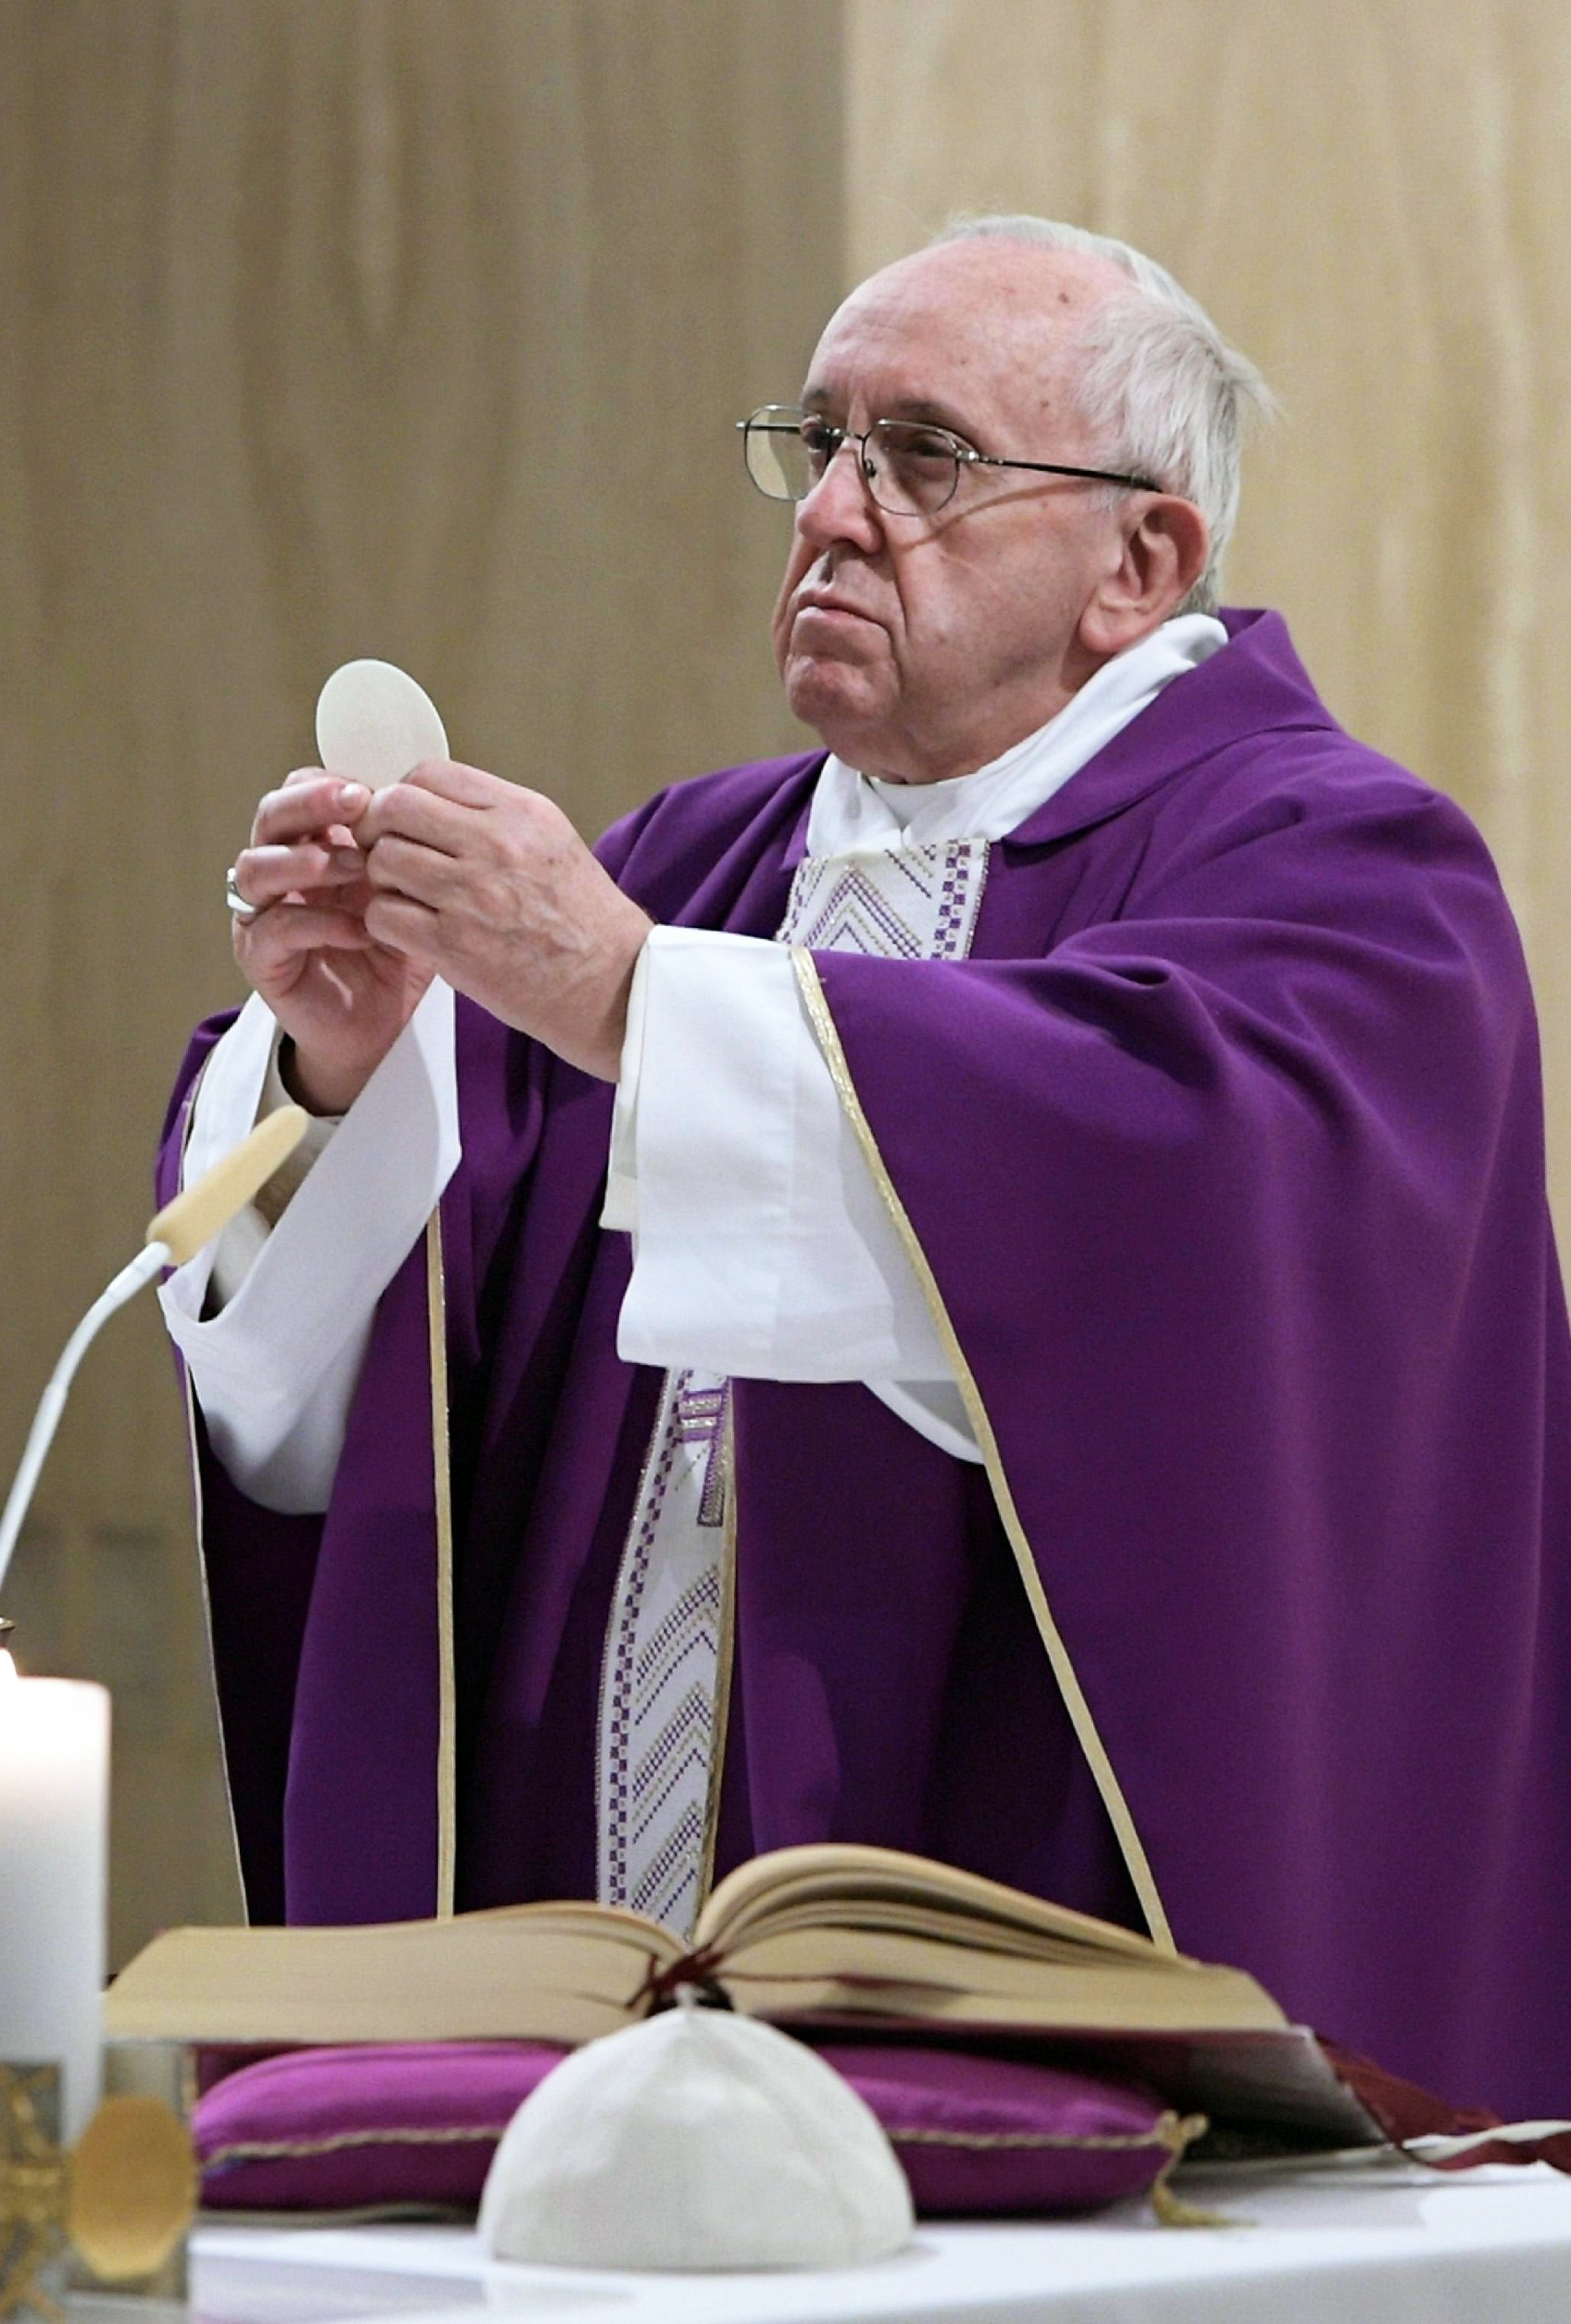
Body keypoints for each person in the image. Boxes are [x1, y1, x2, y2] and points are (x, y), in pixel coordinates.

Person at [158, 216, 1571, 2117]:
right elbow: (374, 1386)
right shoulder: (684, 868)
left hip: (1046, 1993)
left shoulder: (1348, 882)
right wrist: (342, 1072)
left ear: (1136, 561)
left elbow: (1174, 1216)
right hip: (579, 2009)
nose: (829, 511)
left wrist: (626, 995)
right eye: (813, 444)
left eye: (923, 458)